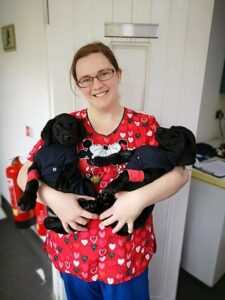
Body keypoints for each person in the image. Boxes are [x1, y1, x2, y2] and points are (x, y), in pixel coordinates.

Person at [17, 42, 189, 300]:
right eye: (85, 79)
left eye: (104, 73)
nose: (96, 85)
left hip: (125, 255)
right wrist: (54, 199)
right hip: (73, 253)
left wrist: (137, 199)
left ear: (118, 74)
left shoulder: (145, 126)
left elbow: (180, 174)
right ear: (78, 86)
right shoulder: (64, 125)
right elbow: (24, 173)